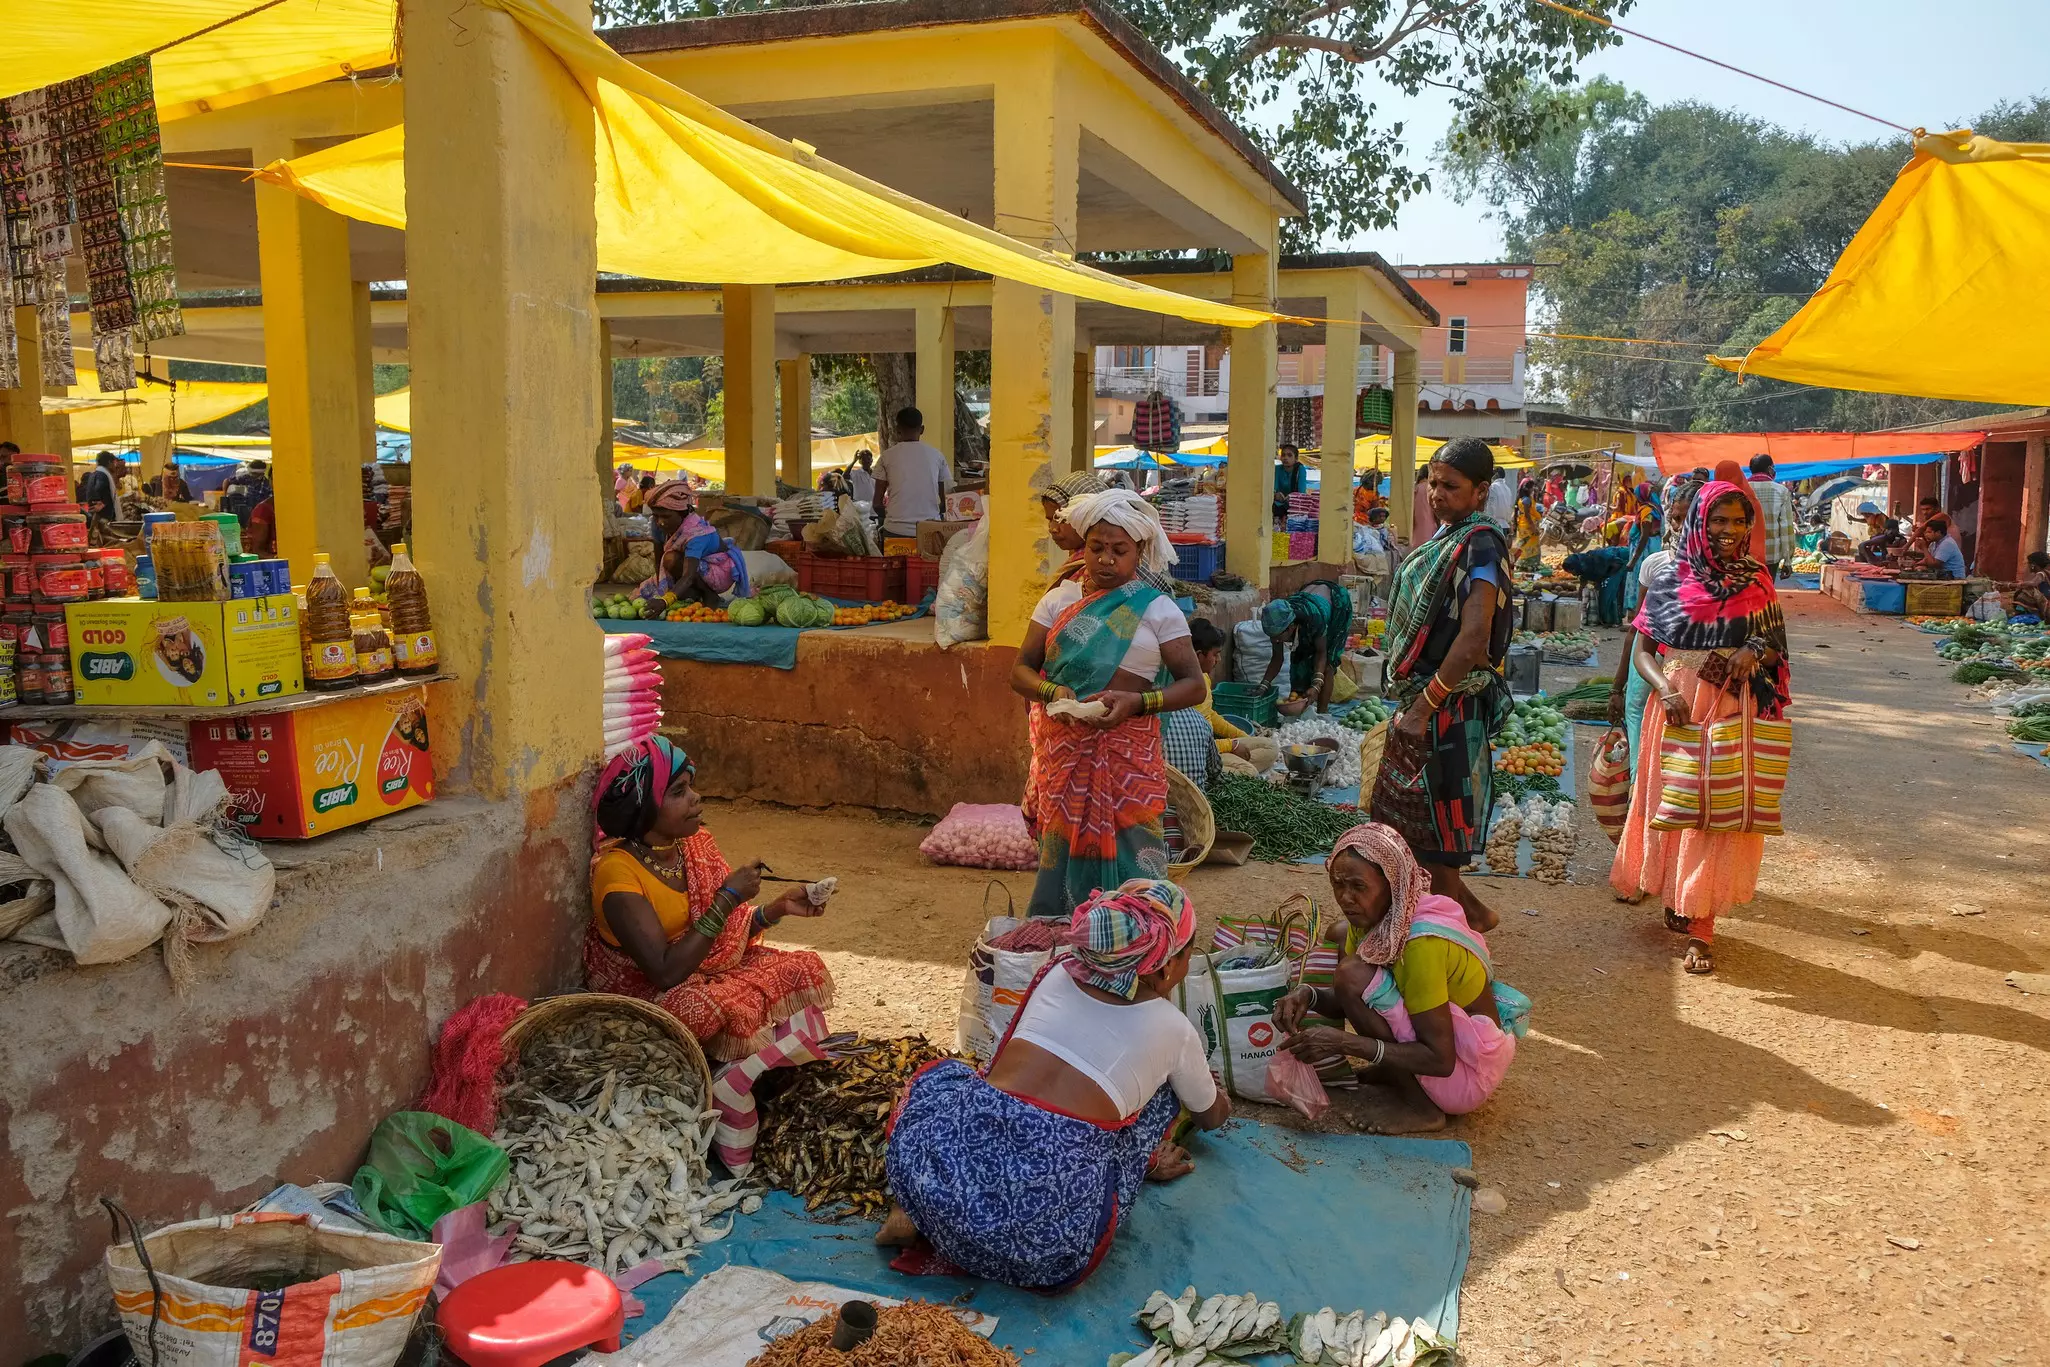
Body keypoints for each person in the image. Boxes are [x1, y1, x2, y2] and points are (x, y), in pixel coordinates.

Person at [881, 880, 1229, 1288]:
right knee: (1163, 1094)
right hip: (1045, 1253)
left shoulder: (1056, 971)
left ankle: (909, 1212)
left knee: (943, 1078)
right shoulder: (1175, 1030)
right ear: (1168, 965)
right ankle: (1143, 1161)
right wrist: (1211, 1089)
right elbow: (1211, 1117)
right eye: (1188, 954)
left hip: (941, 1198)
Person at [1610, 479, 1790, 976]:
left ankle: (1702, 926)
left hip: (1732, 704)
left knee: (1715, 810)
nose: (1727, 530)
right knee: (1673, 804)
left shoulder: (1756, 579)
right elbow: (1645, 650)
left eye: (1737, 521)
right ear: (1698, 523)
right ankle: (1678, 894)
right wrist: (1664, 690)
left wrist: (1753, 650)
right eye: (1717, 520)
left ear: (1749, 526)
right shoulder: (1670, 577)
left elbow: (1774, 641)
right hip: (1675, 705)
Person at [1011, 490, 1206, 920]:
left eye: (1119, 551)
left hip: (1127, 757)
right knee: (1060, 847)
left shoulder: (1157, 610)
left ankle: (1142, 933)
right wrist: (1052, 694)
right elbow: (1020, 671)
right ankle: (1062, 930)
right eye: (1096, 548)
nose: (1105, 560)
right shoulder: (1059, 600)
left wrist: (1138, 702)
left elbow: (1194, 687)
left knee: (1136, 846)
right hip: (1065, 754)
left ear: (1139, 551)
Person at [586, 737, 836, 1060]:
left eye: (691, 787)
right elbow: (663, 972)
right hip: (647, 989)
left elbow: (728, 933)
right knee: (704, 1010)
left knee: (802, 966)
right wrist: (727, 897)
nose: (696, 797)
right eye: (678, 792)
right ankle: (731, 1072)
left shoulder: (693, 846)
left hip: (700, 970)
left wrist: (777, 908)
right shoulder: (616, 873)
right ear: (644, 808)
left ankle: (771, 1067)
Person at [1275, 823, 1526, 1134]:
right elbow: (1344, 1003)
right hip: (1444, 1048)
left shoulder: (1420, 945)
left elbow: (1440, 1060)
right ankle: (1395, 1070)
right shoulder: (1379, 916)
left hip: (1465, 1072)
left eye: (1358, 886)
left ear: (1393, 884)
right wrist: (1306, 994)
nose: (1346, 897)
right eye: (1338, 884)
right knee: (1340, 938)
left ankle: (1420, 1107)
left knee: (1351, 974)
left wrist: (1346, 1044)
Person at [1373, 436, 1515, 935]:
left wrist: (1424, 707)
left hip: (1447, 702)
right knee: (1416, 825)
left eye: (1450, 487)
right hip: (1428, 698)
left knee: (1432, 828)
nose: (1437, 495)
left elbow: (1475, 634)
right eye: (1432, 484)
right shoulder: (1448, 537)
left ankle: (1455, 934)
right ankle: (1468, 915)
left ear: (1480, 492)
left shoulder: (1480, 543)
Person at [1609, 476, 1699, 767]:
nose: (1681, 527)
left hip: (1689, 669)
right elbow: (1638, 628)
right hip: (1653, 658)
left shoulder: (1731, 576)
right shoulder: (1657, 564)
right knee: (1637, 713)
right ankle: (1638, 784)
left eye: (1691, 518)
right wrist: (1617, 686)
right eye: (1676, 519)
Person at [641, 481, 751, 607]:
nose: (660, 522)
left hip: (718, 570)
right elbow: (658, 560)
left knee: (670, 559)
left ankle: (709, 594)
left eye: (666, 516)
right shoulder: (657, 525)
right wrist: (660, 588)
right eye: (656, 516)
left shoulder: (696, 533)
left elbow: (689, 575)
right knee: (654, 592)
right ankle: (695, 594)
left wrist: (665, 601)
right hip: (691, 566)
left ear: (683, 513)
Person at [1259, 577, 1353, 715]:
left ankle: (1322, 713)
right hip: (1310, 594)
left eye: (1278, 637)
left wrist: (1316, 684)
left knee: (1328, 665)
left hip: (1336, 606)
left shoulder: (1315, 619)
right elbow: (1277, 658)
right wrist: (1264, 685)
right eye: (1272, 637)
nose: (1276, 640)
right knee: (1298, 661)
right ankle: (1301, 706)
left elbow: (1321, 653)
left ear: (1291, 627)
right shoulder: (1277, 623)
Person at [875, 408, 950, 537]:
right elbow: (947, 502)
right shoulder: (937, 456)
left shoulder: (886, 457)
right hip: (930, 531)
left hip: (894, 531)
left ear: (897, 429)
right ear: (922, 429)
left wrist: (894, 519)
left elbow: (877, 504)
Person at [1747, 455, 1797, 577]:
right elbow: (1786, 529)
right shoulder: (1781, 491)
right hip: (1771, 555)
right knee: (1767, 591)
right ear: (1770, 469)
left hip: (1745, 554)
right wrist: (1788, 560)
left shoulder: (1742, 489)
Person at [1562, 544, 1633, 627]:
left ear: (1576, 565)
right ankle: (1608, 619)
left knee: (1609, 590)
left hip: (1621, 560)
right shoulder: (1583, 568)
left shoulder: (1597, 558)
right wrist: (1580, 604)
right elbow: (1582, 586)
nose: (1573, 574)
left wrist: (1605, 577)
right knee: (1604, 590)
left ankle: (1613, 620)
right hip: (1614, 565)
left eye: (1572, 571)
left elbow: (1617, 564)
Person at [79, 452, 124, 524]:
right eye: (114, 463)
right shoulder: (102, 474)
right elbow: (99, 487)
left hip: (98, 516)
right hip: (104, 518)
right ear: (109, 462)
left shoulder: (95, 474)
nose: (115, 466)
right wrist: (104, 503)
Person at [1509, 478, 1542, 571]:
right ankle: (1529, 565)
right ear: (1528, 489)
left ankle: (1520, 564)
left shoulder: (1521, 499)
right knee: (1529, 546)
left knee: (1522, 545)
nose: (1533, 489)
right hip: (1528, 526)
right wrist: (1533, 527)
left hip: (1522, 525)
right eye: (1532, 487)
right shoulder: (1527, 500)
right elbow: (1527, 515)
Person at [1272, 444, 1310, 520]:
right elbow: (1273, 488)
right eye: (1283, 455)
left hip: (1295, 504)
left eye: (1289, 455)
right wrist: (1276, 494)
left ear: (1296, 459)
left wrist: (1292, 497)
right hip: (1279, 504)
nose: (1285, 458)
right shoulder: (1277, 469)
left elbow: (1301, 491)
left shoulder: (1300, 470)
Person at [1482, 459, 1517, 532]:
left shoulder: (1493, 487)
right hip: (1505, 525)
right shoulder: (1507, 489)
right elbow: (1509, 507)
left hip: (1494, 525)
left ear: (1496, 475)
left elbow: (1491, 506)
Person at [2015, 551, 2050, 618]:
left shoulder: (2040, 574)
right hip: (2046, 602)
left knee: (2026, 592)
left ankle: (2029, 615)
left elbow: (2034, 583)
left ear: (2033, 565)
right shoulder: (2045, 573)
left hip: (2046, 605)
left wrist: (2019, 584)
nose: (2027, 565)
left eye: (2028, 563)